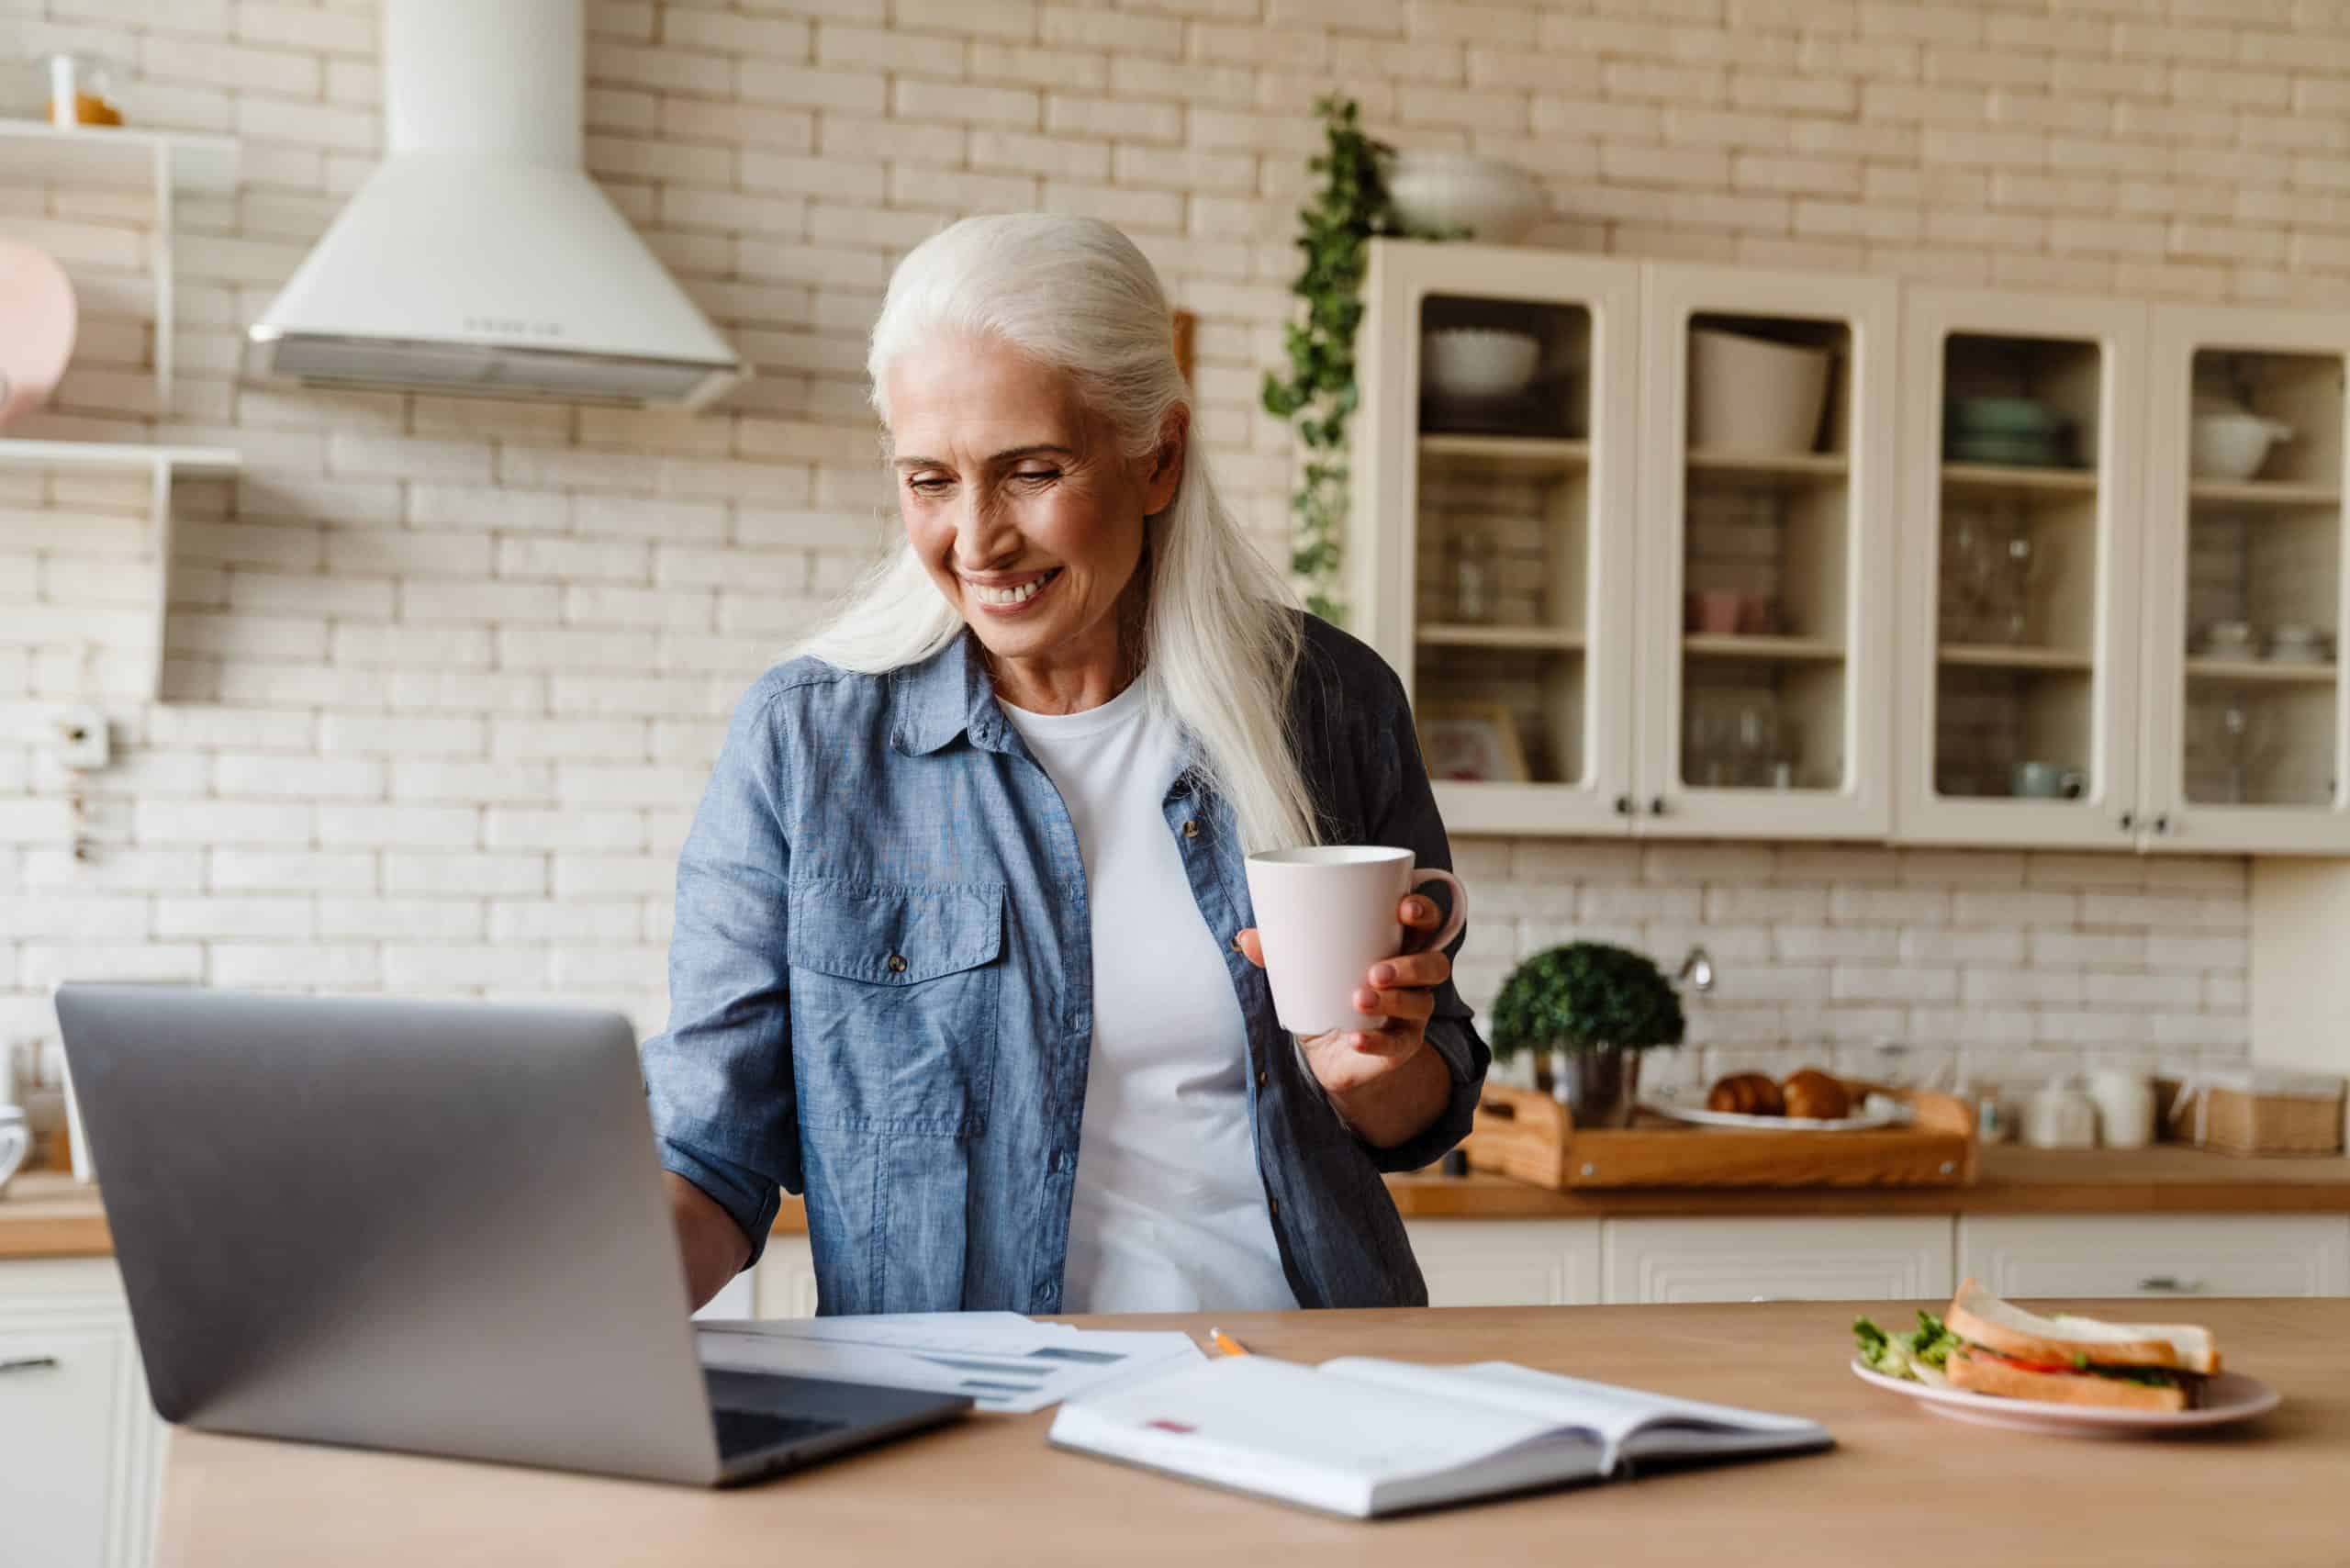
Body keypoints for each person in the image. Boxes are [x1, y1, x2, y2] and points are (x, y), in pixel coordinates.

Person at [641, 213, 1486, 1316]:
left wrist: (1373, 1072)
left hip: (1296, 1382)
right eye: (930, 481)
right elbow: (710, 1156)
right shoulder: (807, 745)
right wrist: (571, 1305)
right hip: (956, 1415)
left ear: (1157, 458)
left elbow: (1424, 1104)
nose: (978, 540)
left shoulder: (1328, 704)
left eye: (1030, 471)